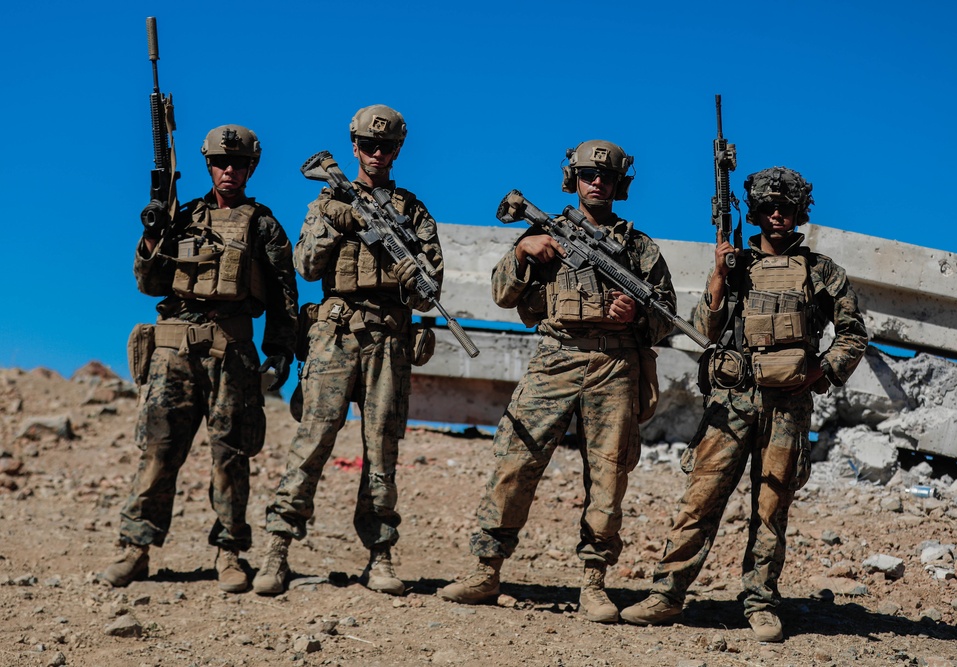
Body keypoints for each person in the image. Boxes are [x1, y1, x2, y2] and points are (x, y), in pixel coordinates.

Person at [620, 167, 869, 640]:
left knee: (771, 506)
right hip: (730, 403)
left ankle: (760, 602)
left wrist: (819, 372)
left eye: (787, 208)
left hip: (788, 407)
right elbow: (700, 330)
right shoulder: (734, 265)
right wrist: (717, 276)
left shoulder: (822, 271)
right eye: (769, 207)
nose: (777, 216)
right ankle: (667, 593)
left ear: (799, 213)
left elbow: (853, 334)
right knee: (700, 499)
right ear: (753, 211)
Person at [439, 140, 676, 624]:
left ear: (619, 184)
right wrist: (524, 251)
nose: (597, 183)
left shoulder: (638, 248)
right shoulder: (544, 232)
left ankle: (593, 582)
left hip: (614, 367)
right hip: (555, 361)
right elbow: (503, 294)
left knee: (608, 478)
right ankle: (486, 569)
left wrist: (635, 316)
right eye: (589, 175)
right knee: (515, 461)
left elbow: (668, 317)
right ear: (574, 179)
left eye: (606, 177)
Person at [252, 104, 442, 596]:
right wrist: (337, 221)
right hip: (336, 336)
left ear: (398, 150)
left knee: (382, 453)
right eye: (368, 145)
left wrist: (411, 280)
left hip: (389, 342)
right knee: (312, 442)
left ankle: (380, 556)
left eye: (387, 147)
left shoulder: (413, 212)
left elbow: (430, 293)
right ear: (354, 146)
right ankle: (276, 549)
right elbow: (307, 266)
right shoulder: (326, 202)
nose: (377, 154)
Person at [103, 125, 299, 592]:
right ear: (208, 165)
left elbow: (283, 296)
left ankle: (229, 552)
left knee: (230, 457)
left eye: (237, 163)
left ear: (251, 167)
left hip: (231, 351)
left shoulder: (263, 225)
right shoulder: (181, 216)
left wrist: (279, 352)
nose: (227, 170)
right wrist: (151, 238)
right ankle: (136, 549)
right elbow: (149, 285)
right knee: (158, 451)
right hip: (172, 352)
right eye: (218, 162)